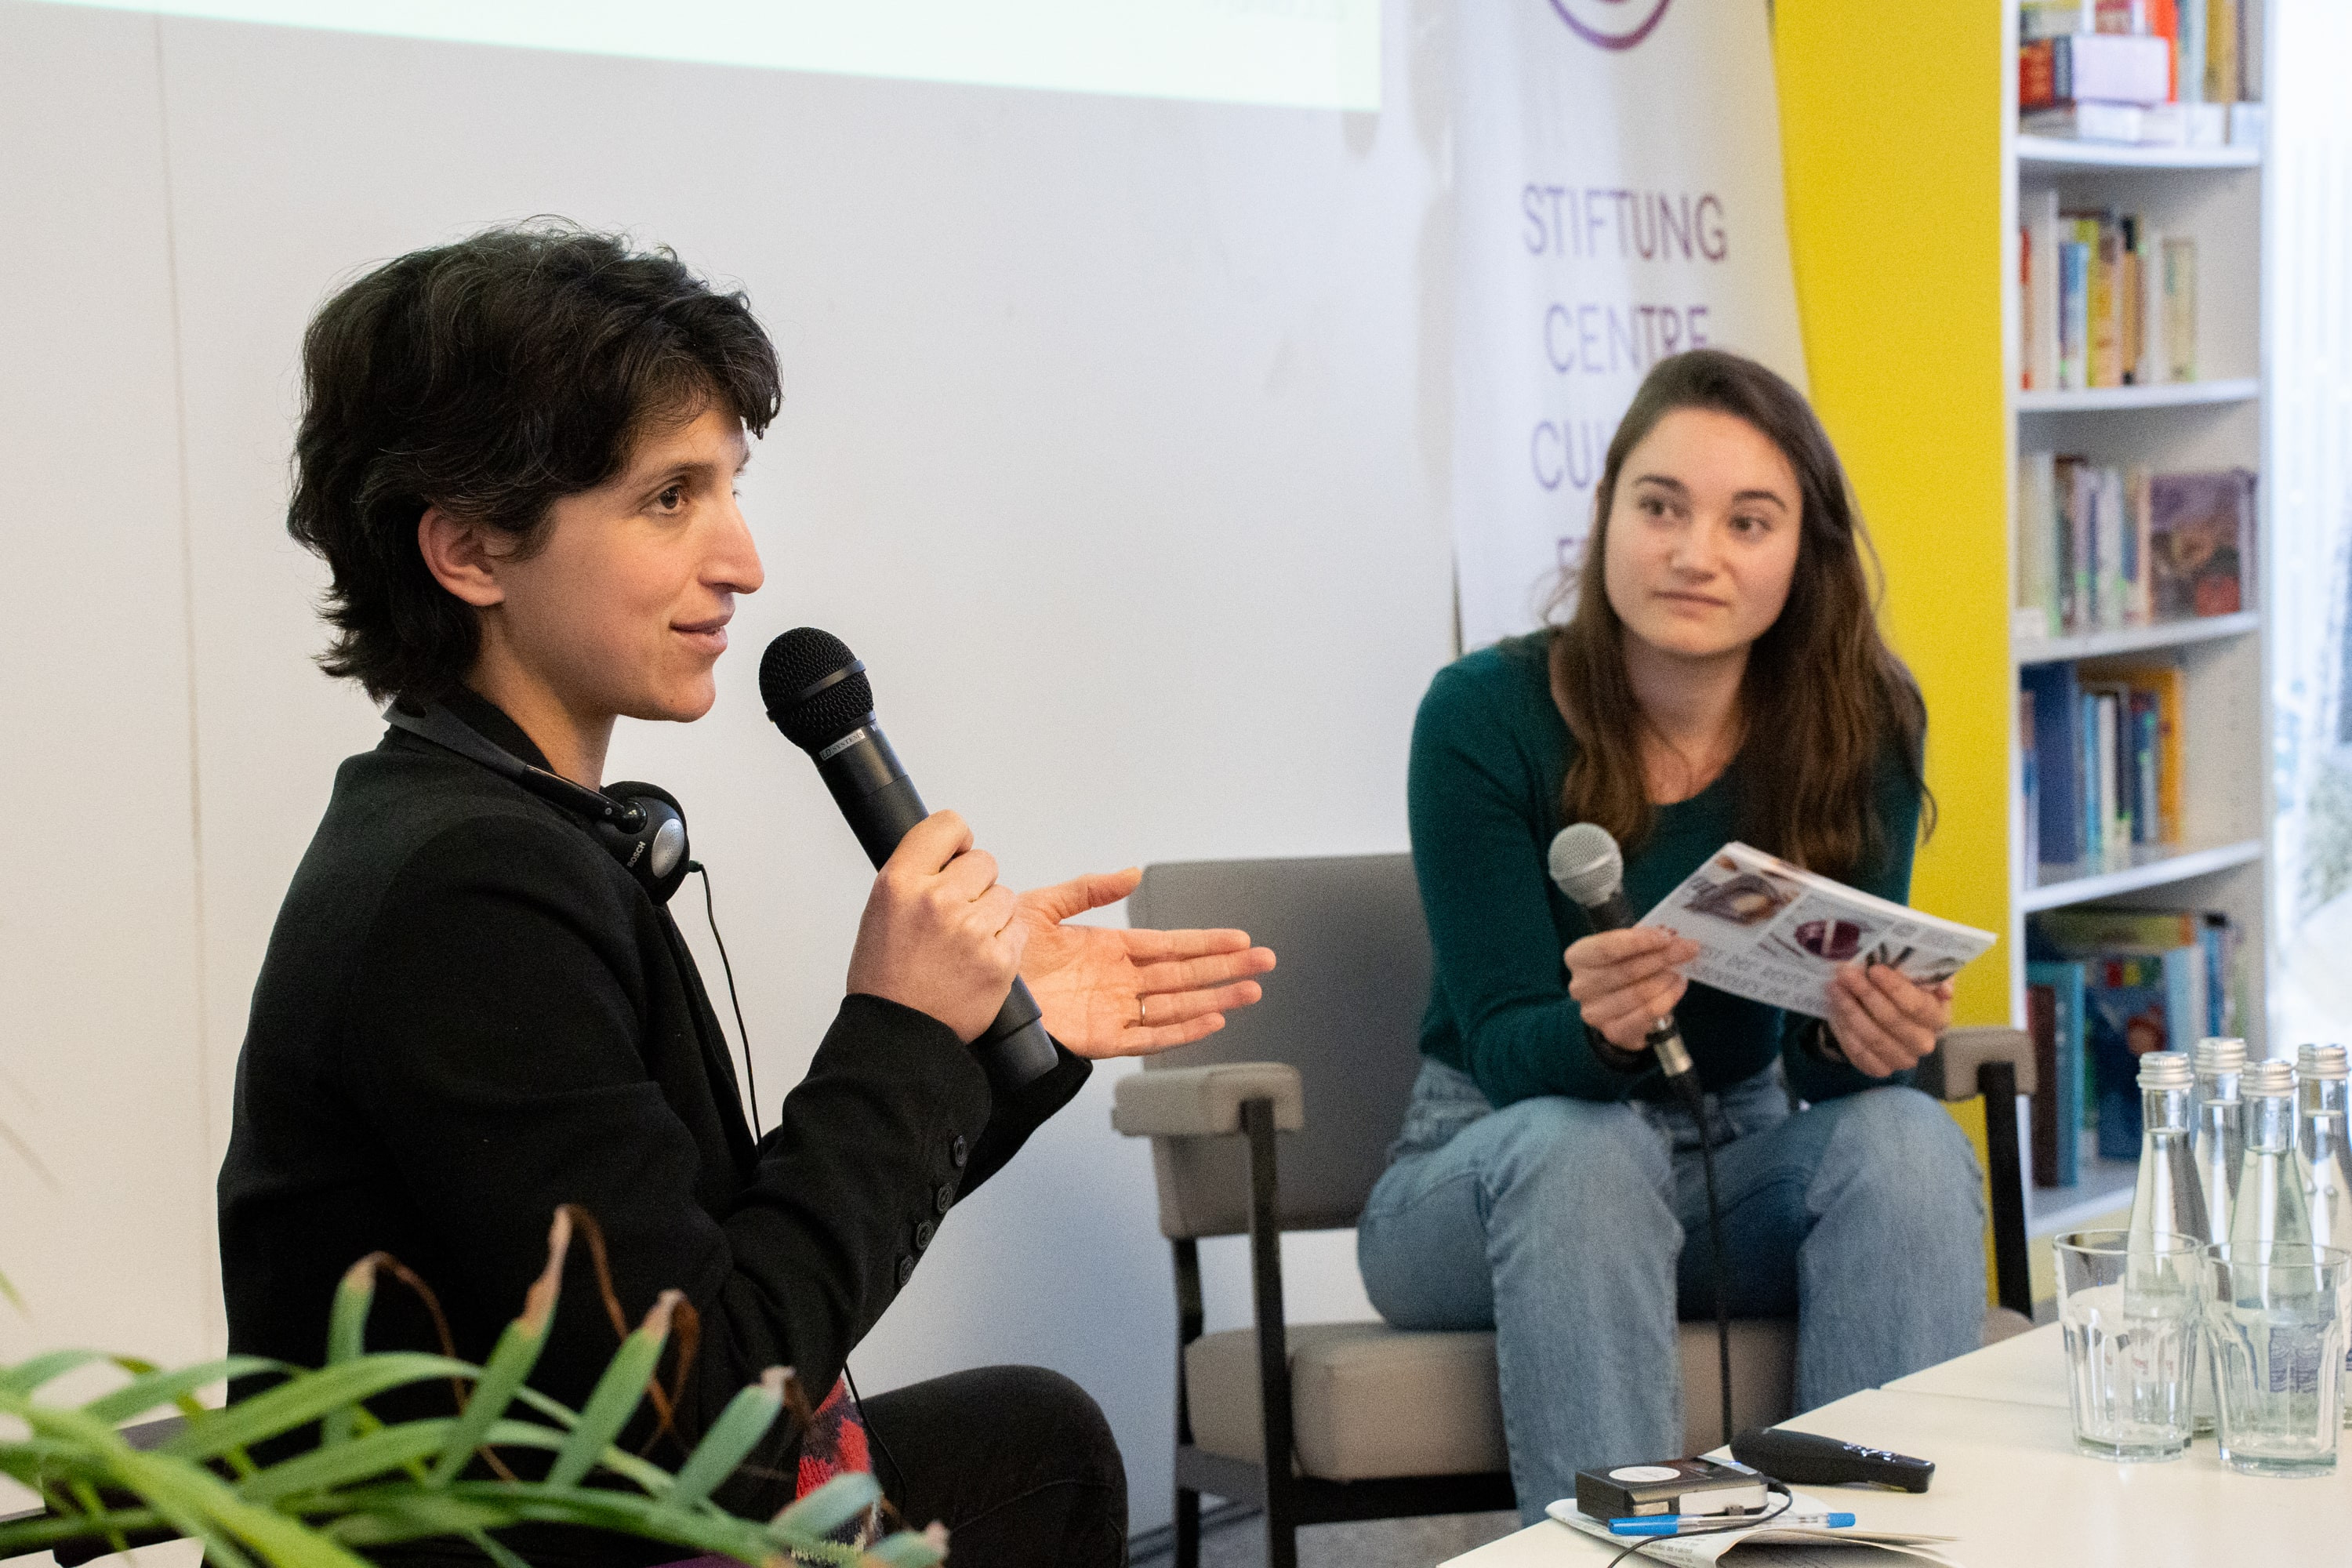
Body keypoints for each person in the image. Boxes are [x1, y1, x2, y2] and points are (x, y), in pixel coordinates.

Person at [216, 223, 1276, 1568]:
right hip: (532, 1543)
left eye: (728, 487)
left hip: (593, 1508)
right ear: (471, 551)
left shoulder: (507, 829)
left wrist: (978, 1041)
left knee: (1035, 1446)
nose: (743, 561)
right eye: (670, 498)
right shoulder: (466, 896)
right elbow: (703, 1407)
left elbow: (710, 1269)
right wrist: (900, 1030)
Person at [1356, 349, 1984, 1522]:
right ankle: (1626, 1554)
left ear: (1803, 554)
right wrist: (1599, 1033)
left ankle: (1860, 1548)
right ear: (1605, 514)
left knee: (1904, 1140)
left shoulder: (1866, 724)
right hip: (1489, 1161)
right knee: (1582, 1149)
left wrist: (1862, 1040)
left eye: (1749, 522)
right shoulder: (1480, 714)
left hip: (1733, 1154)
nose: (1698, 554)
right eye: (1661, 508)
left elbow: (1822, 1078)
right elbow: (1504, 1046)